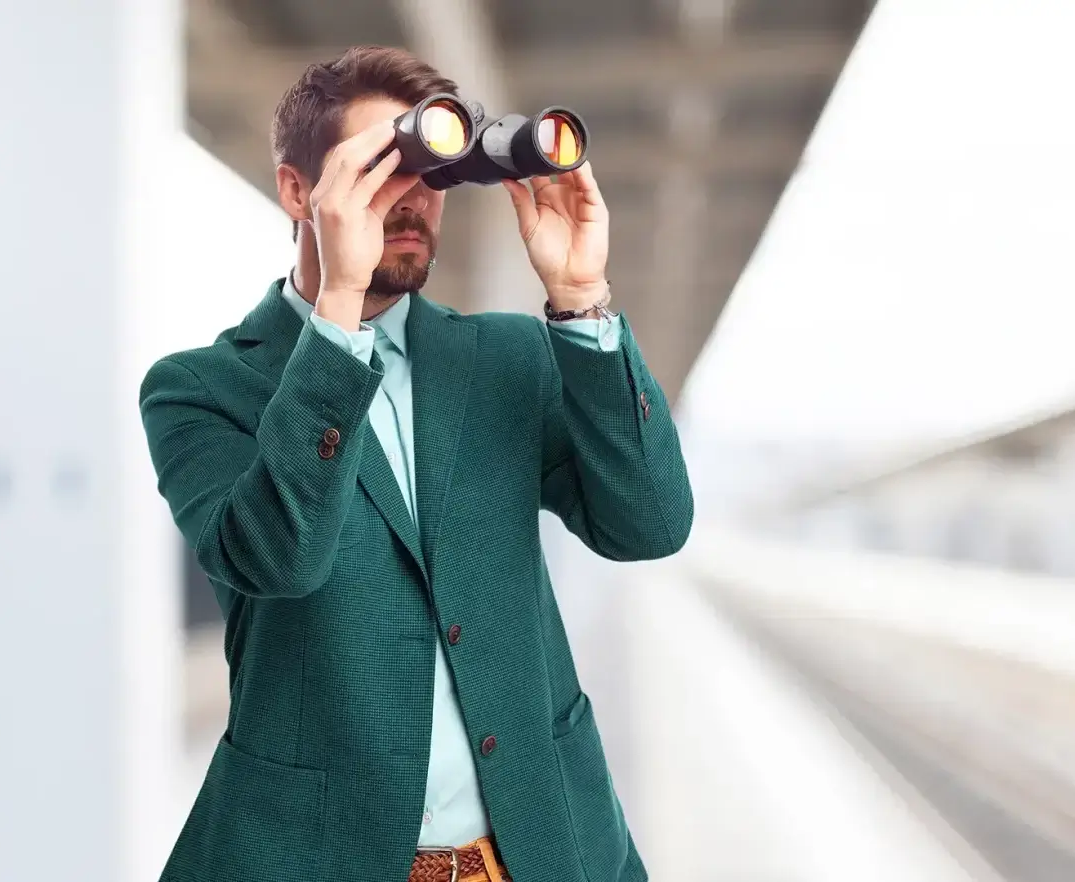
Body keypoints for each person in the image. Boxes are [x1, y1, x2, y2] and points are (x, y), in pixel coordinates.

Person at [139, 45, 692, 882]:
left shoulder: (508, 359)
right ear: (298, 192)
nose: (413, 201)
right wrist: (336, 320)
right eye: (382, 169)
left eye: (431, 173)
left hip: (540, 852)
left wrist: (582, 299)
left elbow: (650, 524)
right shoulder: (203, 389)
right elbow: (278, 559)